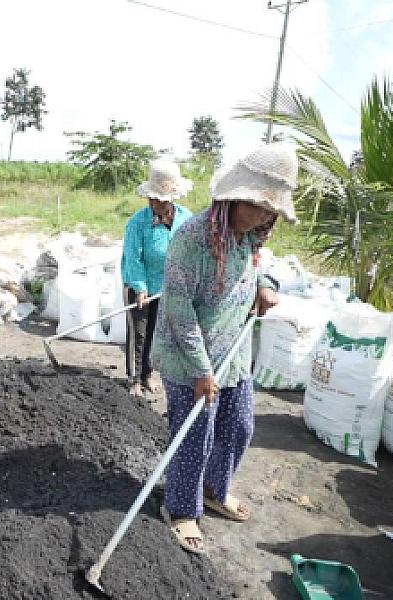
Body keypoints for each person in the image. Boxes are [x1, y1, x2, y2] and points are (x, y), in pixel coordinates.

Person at [151, 144, 296, 553]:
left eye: (272, 210)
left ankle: (214, 489)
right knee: (195, 433)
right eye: (260, 206)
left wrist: (266, 286)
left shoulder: (248, 236)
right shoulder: (190, 241)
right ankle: (181, 509)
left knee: (239, 427)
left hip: (232, 353)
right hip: (188, 358)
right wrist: (201, 371)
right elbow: (179, 313)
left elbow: (261, 267)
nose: (267, 216)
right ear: (233, 199)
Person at [120, 159, 193, 397]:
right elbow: (133, 258)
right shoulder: (138, 223)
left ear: (171, 198)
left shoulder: (186, 221)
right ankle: (134, 378)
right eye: (151, 199)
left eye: (159, 199)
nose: (154, 203)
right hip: (138, 283)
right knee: (138, 332)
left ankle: (148, 373)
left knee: (156, 333)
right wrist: (140, 287)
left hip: (168, 288)